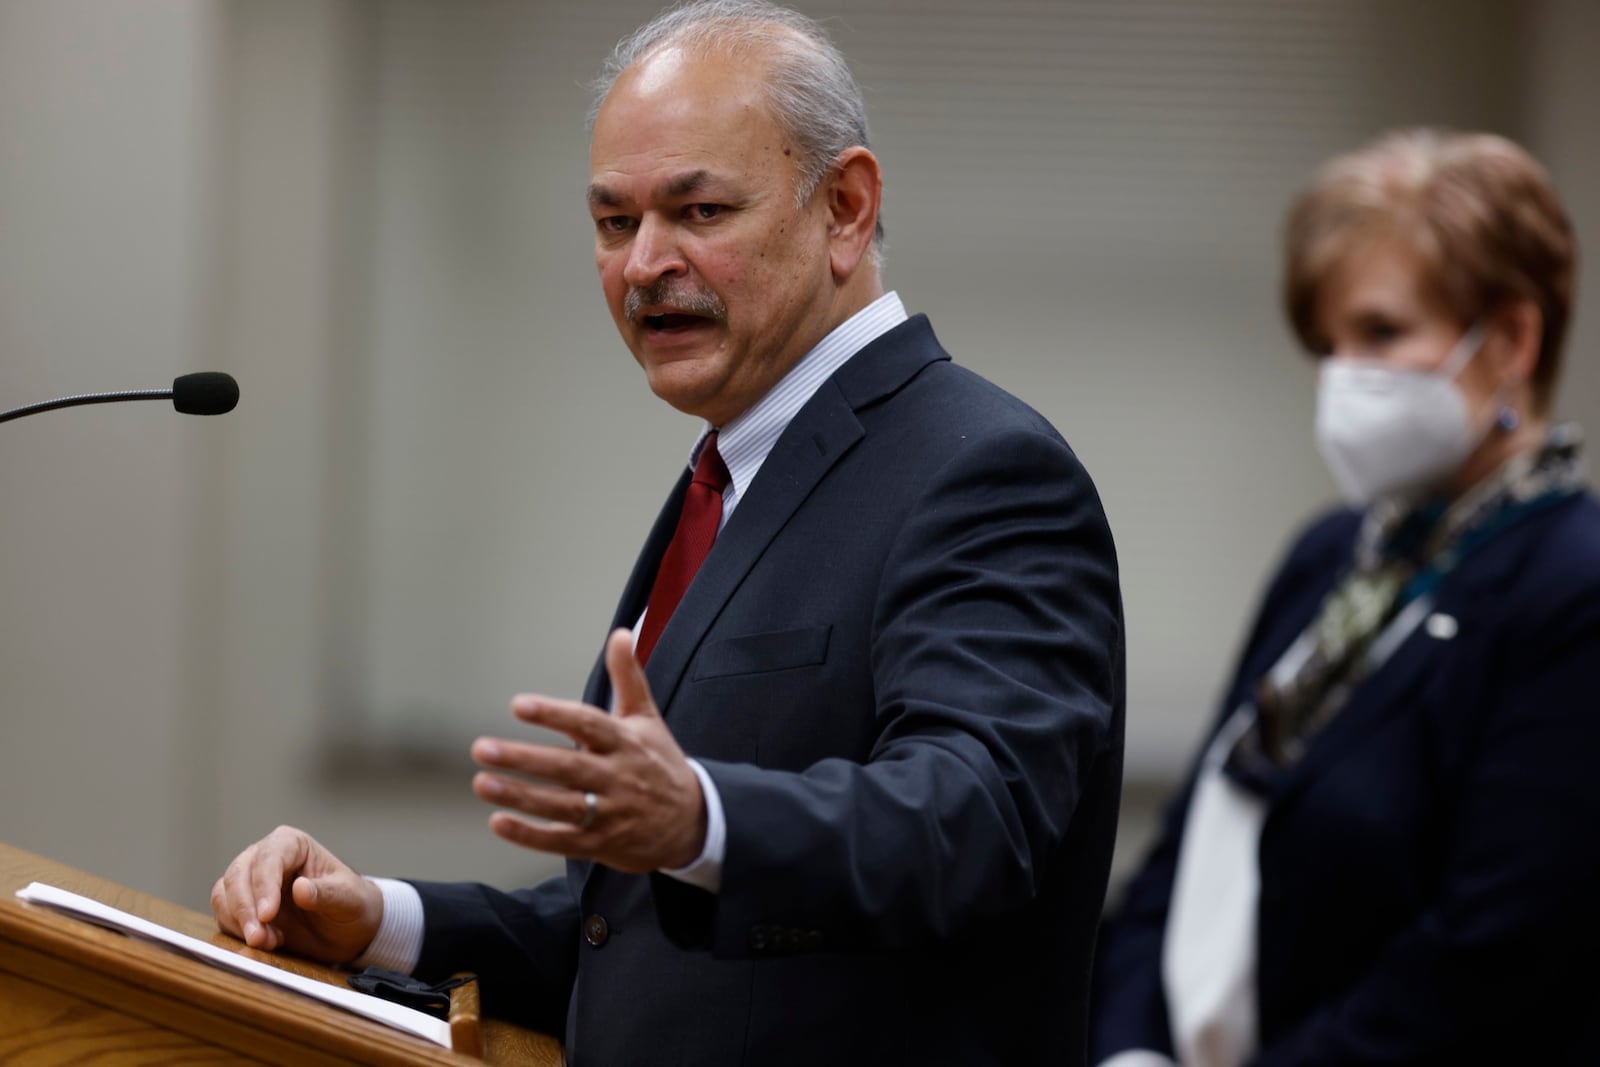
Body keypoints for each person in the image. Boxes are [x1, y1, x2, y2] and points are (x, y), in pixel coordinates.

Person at [211, 2, 1125, 1064]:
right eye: (613, 222)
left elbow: (973, 822)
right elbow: (634, 931)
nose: (645, 262)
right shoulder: (733, 473)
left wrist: (702, 819)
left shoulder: (979, 467)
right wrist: (381, 916)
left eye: (697, 210)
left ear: (844, 206)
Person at [1091, 127, 1600, 1067]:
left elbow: (1497, 956)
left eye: (1381, 333)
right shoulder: (1336, 554)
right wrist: (1127, 1047)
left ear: (1514, 339)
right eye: (1328, 344)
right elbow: (1193, 833)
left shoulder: (1571, 587)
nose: (1342, 378)